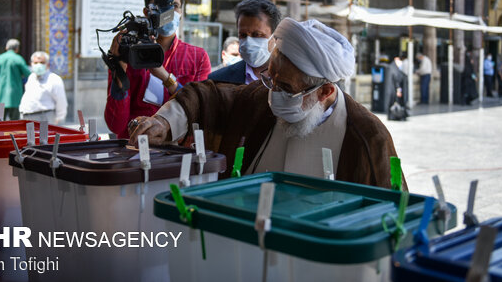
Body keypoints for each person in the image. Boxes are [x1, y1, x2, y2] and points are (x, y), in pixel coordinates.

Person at [129, 18, 406, 189]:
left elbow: (394, 216)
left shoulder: (367, 137)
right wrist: (164, 122)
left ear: (325, 92)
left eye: (285, 87)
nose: (273, 93)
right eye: (270, 79)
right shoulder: (260, 101)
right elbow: (208, 97)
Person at [104, 0, 211, 138]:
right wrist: (119, 68)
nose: (169, 12)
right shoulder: (128, 53)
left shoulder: (197, 57)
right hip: (133, 150)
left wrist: (165, 77)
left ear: (181, 12)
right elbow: (116, 125)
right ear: (147, 12)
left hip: (177, 152)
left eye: (174, 6)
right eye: (162, 6)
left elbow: (201, 115)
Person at [208, 0, 282, 84]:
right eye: (243, 35)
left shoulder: (294, 80)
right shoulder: (217, 81)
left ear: (275, 37)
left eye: (257, 34)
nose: (248, 42)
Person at [0, 39, 31, 120]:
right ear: (17, 49)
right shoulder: (18, 59)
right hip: (15, 98)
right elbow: (29, 74)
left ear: (6, 47)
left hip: (1, 98)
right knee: (14, 124)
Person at [19, 51, 68, 124]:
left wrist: (59, 118)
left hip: (44, 117)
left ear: (47, 65)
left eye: (42, 62)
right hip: (27, 117)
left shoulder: (54, 79)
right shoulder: (31, 77)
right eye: (35, 63)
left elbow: (61, 101)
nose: (38, 65)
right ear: (31, 64)